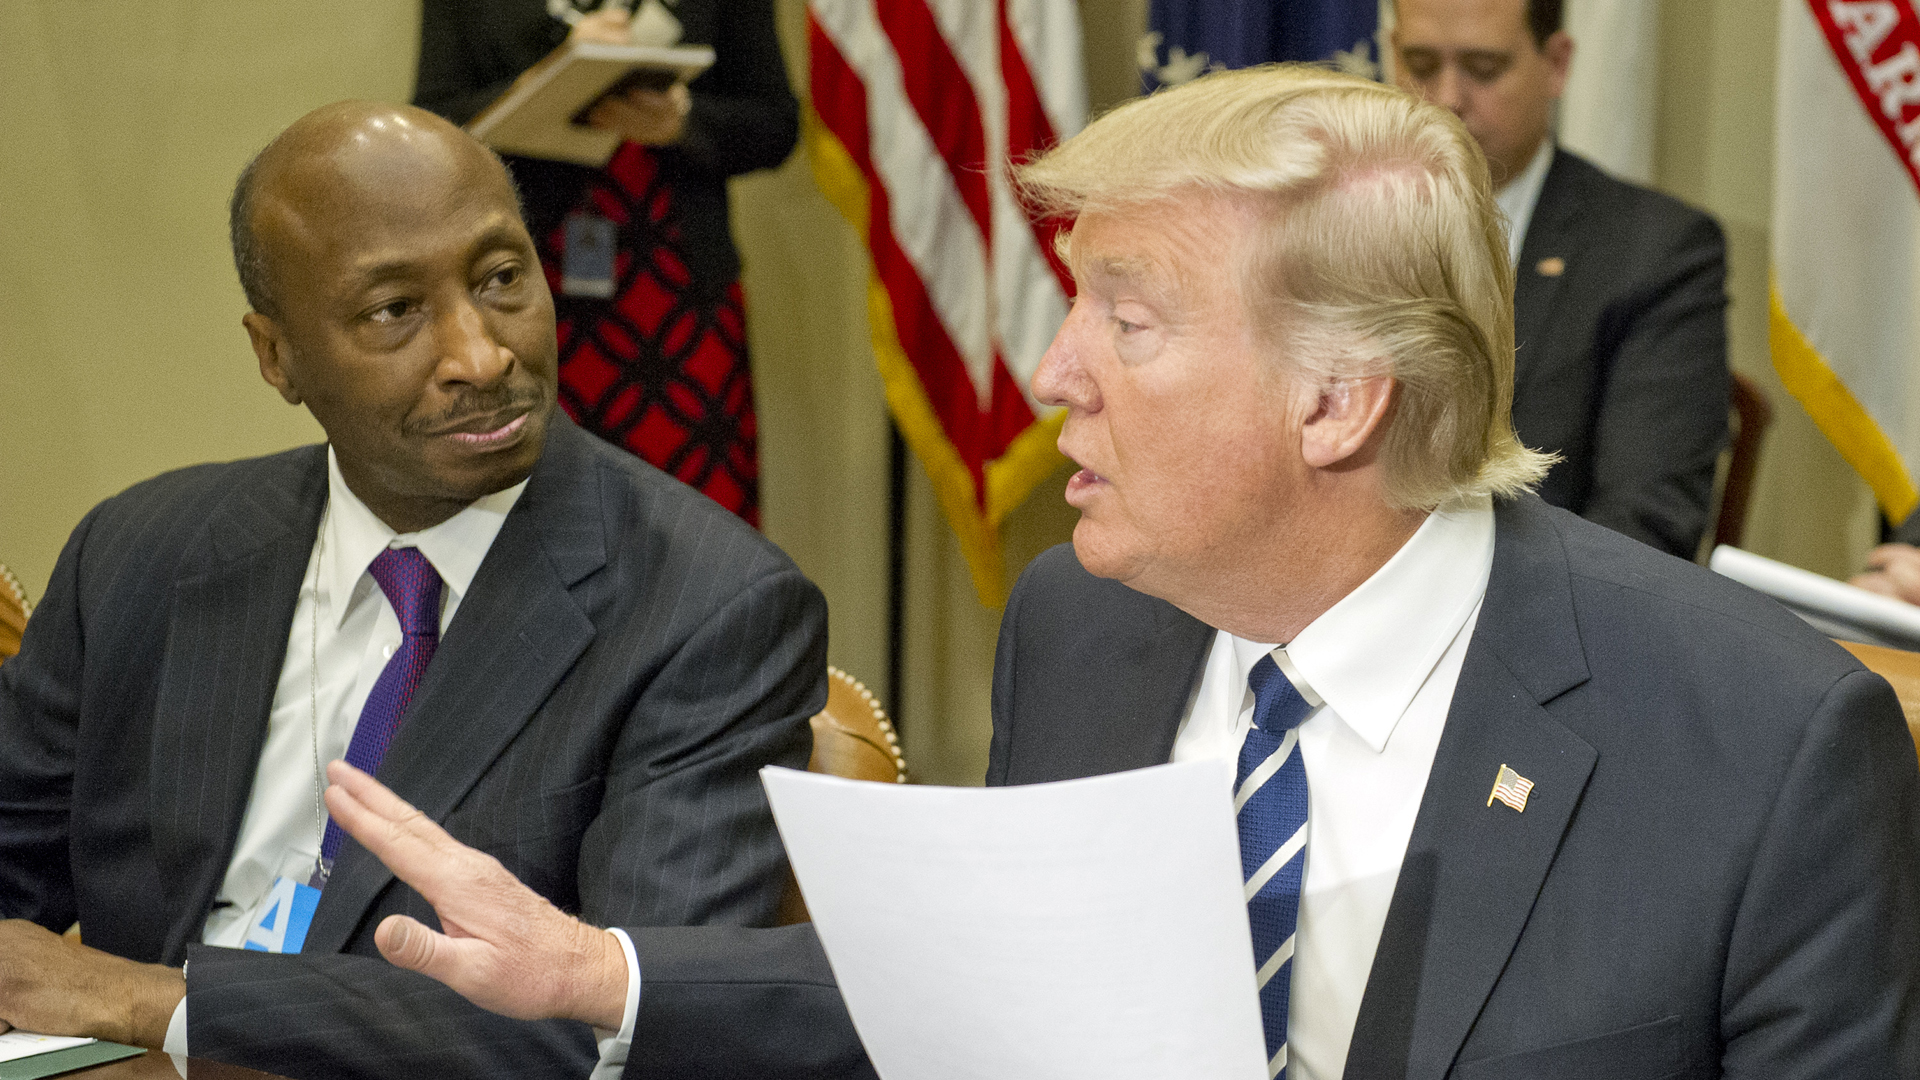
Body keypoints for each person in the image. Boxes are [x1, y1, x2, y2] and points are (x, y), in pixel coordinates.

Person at [338, 67, 1917, 1079]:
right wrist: (597, 971)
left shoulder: (1760, 748)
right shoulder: (1088, 624)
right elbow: (1002, 994)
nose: (1053, 371)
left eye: (1129, 319)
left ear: (1336, 399)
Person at [0, 101, 827, 1080]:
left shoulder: (708, 609)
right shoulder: (141, 554)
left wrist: (157, 1003)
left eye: (502, 279)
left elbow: (616, 1023)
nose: (481, 356)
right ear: (276, 356)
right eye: (396, 311)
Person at [415, 0, 798, 527]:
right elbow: (432, 128)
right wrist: (545, 82)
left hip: (680, 291)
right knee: (544, 521)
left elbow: (775, 124)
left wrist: (682, 120)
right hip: (523, 295)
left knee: (696, 532)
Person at [1394, 0, 1731, 561]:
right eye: (1422, 65)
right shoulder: (1322, 226)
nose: (1447, 98)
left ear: (1556, 64)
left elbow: (1643, 526)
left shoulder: (1656, 250)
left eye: (1483, 69)